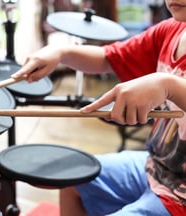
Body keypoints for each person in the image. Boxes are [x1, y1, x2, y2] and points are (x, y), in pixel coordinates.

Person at [12, 0, 186, 215]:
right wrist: (61, 53)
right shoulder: (172, 30)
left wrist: (168, 85)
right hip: (157, 166)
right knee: (73, 177)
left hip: (182, 197)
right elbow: (110, 57)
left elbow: (170, 86)